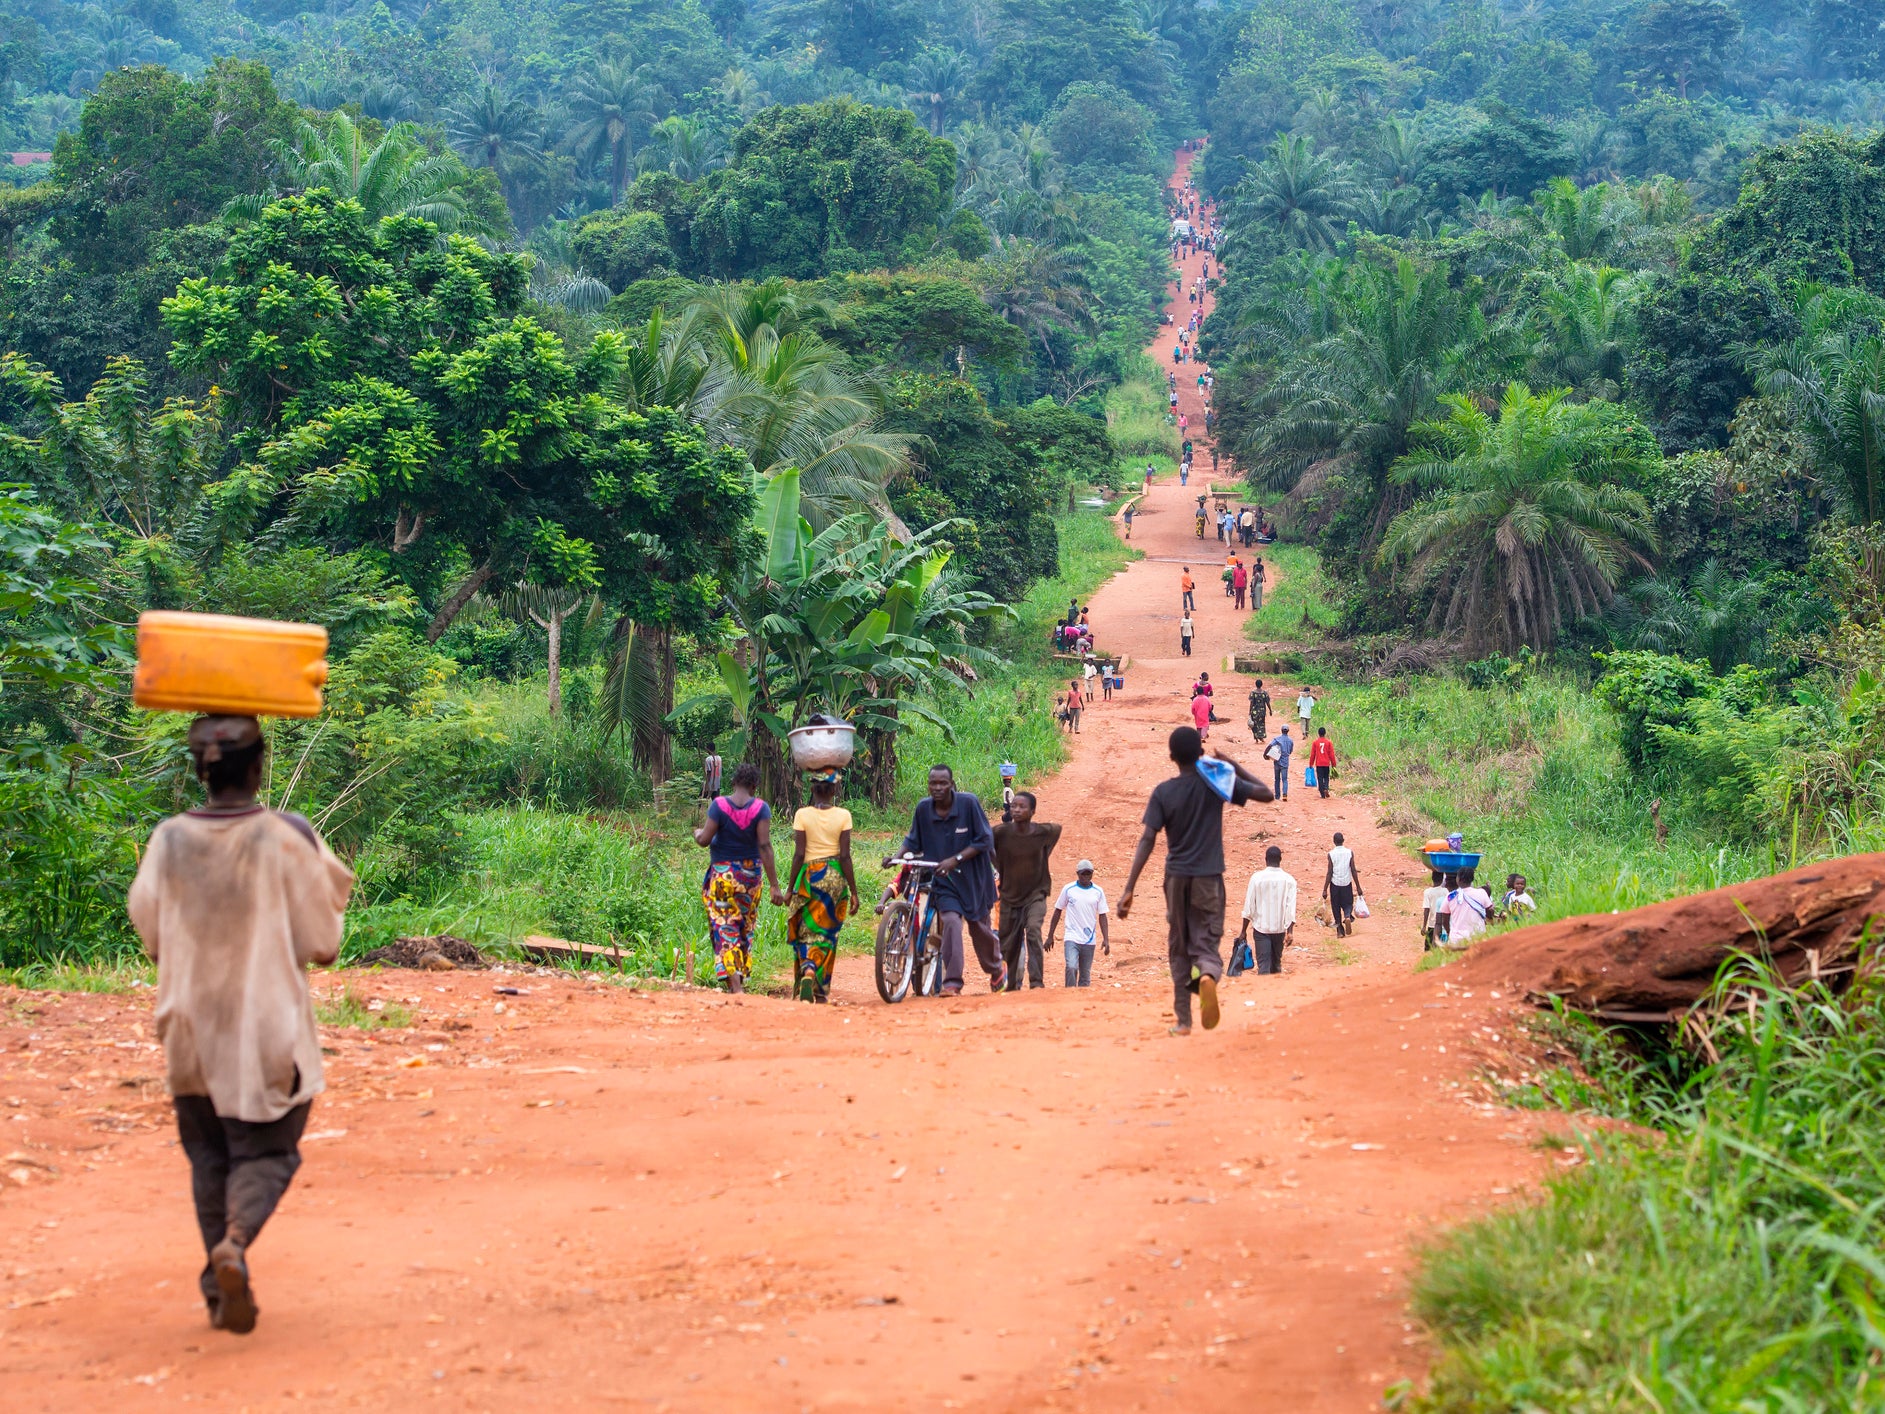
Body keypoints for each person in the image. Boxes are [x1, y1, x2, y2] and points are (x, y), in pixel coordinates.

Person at [128, 715, 355, 1336]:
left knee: (207, 1154)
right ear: (259, 767)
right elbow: (324, 943)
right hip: (265, 1029)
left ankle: (216, 1287)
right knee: (269, 1151)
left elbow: (150, 932)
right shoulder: (284, 838)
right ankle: (233, 1243)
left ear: (199, 770)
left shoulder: (169, 839)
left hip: (187, 1028)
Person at [1117, 728, 1274, 1034]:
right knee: (1206, 941)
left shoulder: (1163, 792)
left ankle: (1184, 1021)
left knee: (1179, 945)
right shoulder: (1215, 784)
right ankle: (1207, 975)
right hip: (1208, 876)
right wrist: (1232, 764)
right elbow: (1265, 793)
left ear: (1172, 757)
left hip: (1175, 879)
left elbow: (1147, 838)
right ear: (1201, 753)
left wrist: (1129, 888)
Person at [898, 765, 1005, 994]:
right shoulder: (923, 809)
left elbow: (984, 840)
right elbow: (912, 840)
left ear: (951, 784)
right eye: (933, 783)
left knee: (979, 930)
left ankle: (996, 969)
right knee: (951, 922)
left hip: (974, 880)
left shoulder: (968, 804)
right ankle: (952, 982)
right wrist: (895, 858)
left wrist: (955, 859)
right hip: (945, 883)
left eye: (942, 783)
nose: (937, 788)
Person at [693, 762, 784, 993]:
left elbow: (704, 840)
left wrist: (697, 833)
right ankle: (740, 980)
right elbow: (764, 845)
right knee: (745, 926)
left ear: (733, 783)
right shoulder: (760, 808)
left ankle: (735, 986)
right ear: (754, 786)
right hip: (751, 878)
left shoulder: (719, 805)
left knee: (725, 925)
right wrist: (774, 886)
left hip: (723, 878)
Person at [787, 769, 858, 1003]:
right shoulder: (844, 816)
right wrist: (854, 891)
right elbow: (845, 857)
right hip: (835, 878)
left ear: (812, 789)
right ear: (834, 790)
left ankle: (807, 968)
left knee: (806, 931)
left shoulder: (802, 815)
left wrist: (789, 888)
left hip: (809, 878)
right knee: (828, 934)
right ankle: (819, 989)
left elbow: (798, 855)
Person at [993, 791, 1062, 990]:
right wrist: (999, 865)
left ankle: (1037, 983)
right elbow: (985, 843)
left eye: (1022, 807)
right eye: (1014, 806)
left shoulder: (1043, 832)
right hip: (1009, 897)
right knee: (1010, 943)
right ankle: (1012, 986)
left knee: (1033, 930)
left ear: (1033, 811)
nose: (1016, 809)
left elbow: (1057, 830)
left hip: (1036, 895)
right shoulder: (1002, 833)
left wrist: (1044, 854)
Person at [1047, 861, 1110, 987]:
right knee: (1071, 967)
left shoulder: (1098, 891)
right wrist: (1050, 936)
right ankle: (1070, 995)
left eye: (1089, 874)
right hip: (1072, 936)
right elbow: (1058, 911)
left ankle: (1081, 1003)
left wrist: (1106, 939)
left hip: (1089, 939)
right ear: (1077, 874)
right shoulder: (1069, 889)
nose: (1086, 877)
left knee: (1085, 976)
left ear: (1092, 874)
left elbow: (1102, 915)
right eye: (1083, 874)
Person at [1237, 845, 1297, 975]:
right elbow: (1290, 908)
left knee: (1263, 965)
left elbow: (1249, 906)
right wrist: (1290, 932)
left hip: (1261, 930)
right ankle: (1275, 992)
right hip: (1279, 930)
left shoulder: (1257, 878)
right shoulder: (1289, 880)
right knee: (1276, 965)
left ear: (1266, 859)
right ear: (1280, 859)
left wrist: (1243, 931)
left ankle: (1264, 992)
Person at [1322, 831, 1362, 937]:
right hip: (1346, 883)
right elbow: (1353, 870)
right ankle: (1348, 915)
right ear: (1343, 841)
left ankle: (1340, 930)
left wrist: (1325, 889)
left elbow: (1329, 872)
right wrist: (1358, 887)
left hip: (1335, 884)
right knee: (1348, 903)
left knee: (1336, 906)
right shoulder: (1349, 852)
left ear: (1334, 842)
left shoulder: (1331, 854)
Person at [1447, 868, 1493, 945]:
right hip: (1478, 936)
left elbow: (1444, 917)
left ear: (1458, 879)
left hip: (1456, 939)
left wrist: (1449, 932)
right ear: (1472, 879)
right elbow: (1490, 910)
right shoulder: (1481, 893)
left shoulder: (1451, 896)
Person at [1420, 868, 1448, 951]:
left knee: (1428, 949)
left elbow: (1426, 910)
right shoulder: (1446, 891)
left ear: (1432, 878)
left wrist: (1424, 926)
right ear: (1442, 879)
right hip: (1443, 925)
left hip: (1432, 925)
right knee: (1441, 948)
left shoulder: (1428, 892)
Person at [1266, 724, 1294, 801]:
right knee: (1284, 779)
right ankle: (1284, 794)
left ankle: (1277, 796)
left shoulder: (1277, 739)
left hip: (1277, 761)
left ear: (1281, 730)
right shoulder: (1290, 741)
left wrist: (1265, 754)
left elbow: (1269, 746)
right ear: (1288, 731)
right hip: (1285, 762)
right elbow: (1290, 751)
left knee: (1277, 779)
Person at [1308, 726, 1336, 798]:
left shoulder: (1315, 742)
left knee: (1320, 778)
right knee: (1326, 777)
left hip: (1319, 763)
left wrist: (1311, 764)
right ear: (1325, 733)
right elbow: (1331, 754)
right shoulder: (1329, 742)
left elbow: (1313, 754)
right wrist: (1333, 764)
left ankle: (1322, 793)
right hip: (1326, 763)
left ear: (1318, 733)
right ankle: (1326, 788)